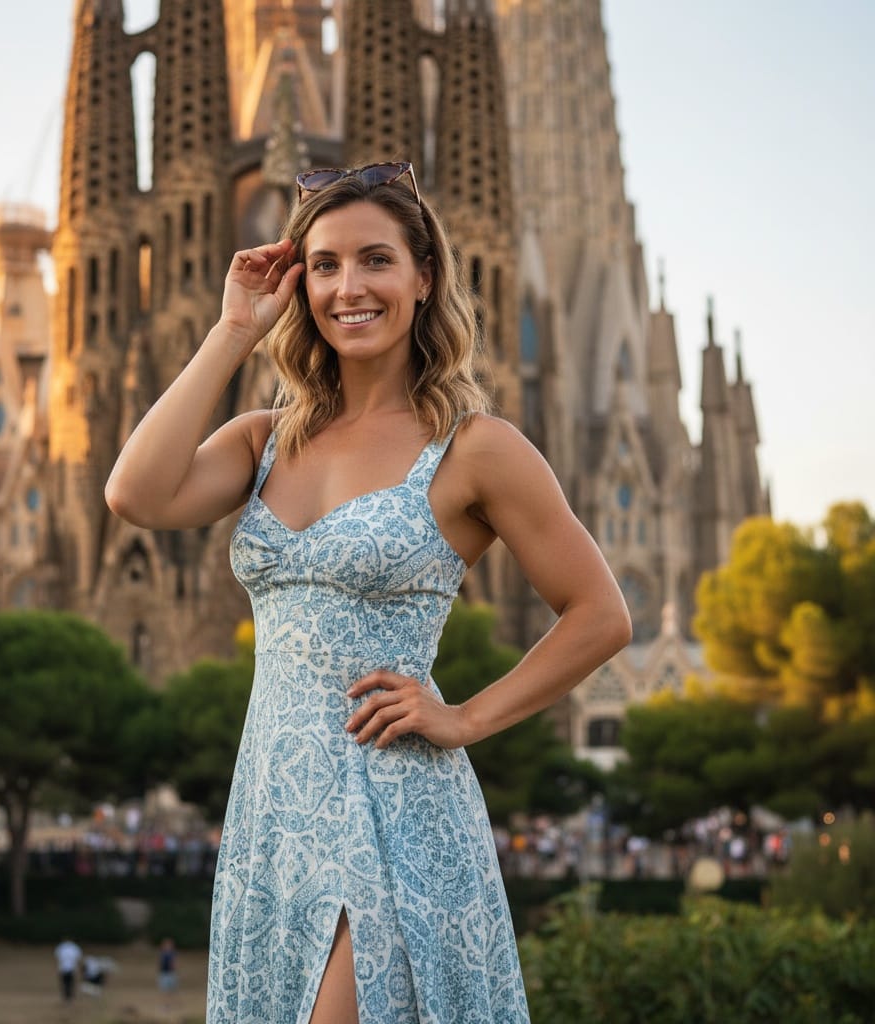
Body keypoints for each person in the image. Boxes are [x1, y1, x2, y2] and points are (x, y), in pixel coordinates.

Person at [106, 160, 631, 1023]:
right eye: (324, 265)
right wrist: (234, 330)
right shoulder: (262, 440)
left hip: (391, 808)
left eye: (376, 260)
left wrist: (464, 717)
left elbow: (601, 616)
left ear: (425, 278)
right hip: (270, 810)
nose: (349, 286)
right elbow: (135, 494)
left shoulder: (475, 448)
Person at [53, 937, 82, 1002]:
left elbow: (57, 956)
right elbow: (78, 957)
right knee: (70, 982)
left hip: (63, 968)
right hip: (71, 968)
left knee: (65, 983)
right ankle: (69, 996)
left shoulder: (61, 947)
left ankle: (67, 996)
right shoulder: (74, 947)